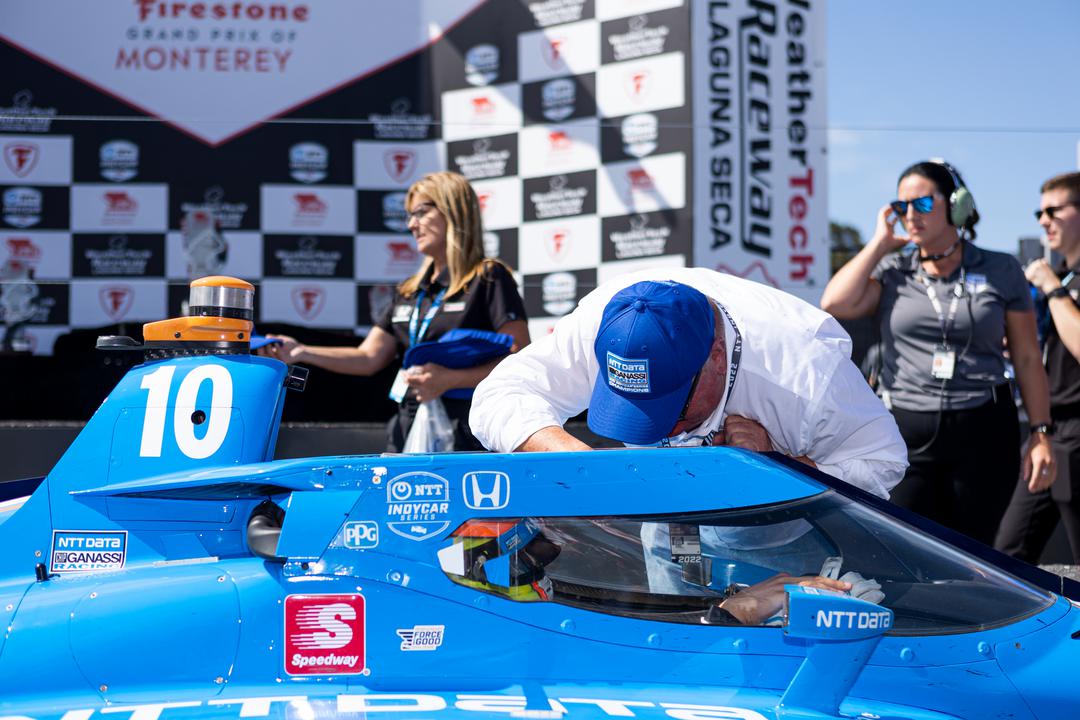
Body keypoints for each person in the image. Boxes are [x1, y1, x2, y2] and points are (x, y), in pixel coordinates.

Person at [470, 267, 908, 500]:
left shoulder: (805, 372)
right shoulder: (612, 322)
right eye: (629, 406)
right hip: (659, 518)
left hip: (781, 537)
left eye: (672, 409)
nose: (661, 432)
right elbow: (497, 395)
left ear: (717, 358)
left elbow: (883, 461)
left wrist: (783, 465)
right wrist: (582, 465)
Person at [820, 160, 1054, 545]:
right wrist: (879, 242)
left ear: (956, 206)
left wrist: (1042, 434)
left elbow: (1028, 357)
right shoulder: (893, 269)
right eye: (901, 207)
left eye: (923, 204)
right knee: (902, 546)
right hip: (906, 430)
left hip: (983, 427)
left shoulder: (1000, 268)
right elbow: (835, 301)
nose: (911, 215)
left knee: (974, 553)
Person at [264, 171, 529, 451]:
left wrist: (449, 380)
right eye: (409, 215)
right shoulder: (409, 290)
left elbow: (520, 355)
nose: (411, 224)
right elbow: (368, 357)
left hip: (468, 428)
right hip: (409, 424)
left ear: (454, 211)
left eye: (421, 213)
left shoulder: (488, 277)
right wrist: (302, 352)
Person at [996, 172, 1080, 563]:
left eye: (1054, 210)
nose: (1044, 220)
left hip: (1077, 434)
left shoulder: (1057, 283)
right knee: (1008, 553)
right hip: (1049, 432)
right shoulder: (1063, 277)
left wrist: (1053, 289)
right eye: (1038, 212)